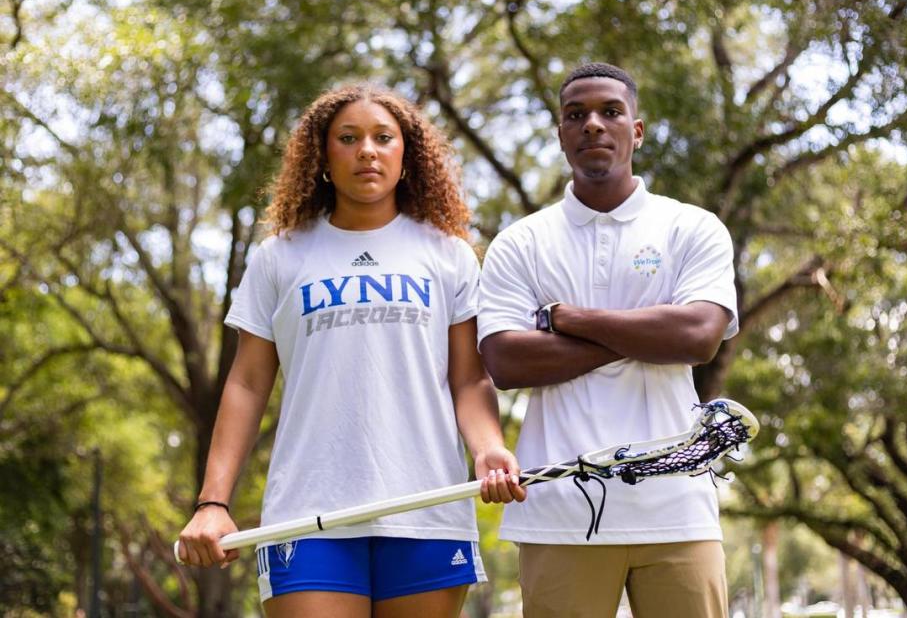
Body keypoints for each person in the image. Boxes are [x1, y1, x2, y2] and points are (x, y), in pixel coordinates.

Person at [177, 83, 525, 618]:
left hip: (425, 509)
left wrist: (487, 449)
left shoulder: (448, 254)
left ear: (406, 157)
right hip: (307, 513)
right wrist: (213, 502)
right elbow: (246, 384)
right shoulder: (280, 257)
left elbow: (469, 379)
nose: (367, 150)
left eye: (384, 137)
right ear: (323, 156)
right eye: (349, 137)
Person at [478, 62, 738, 618]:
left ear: (636, 131)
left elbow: (698, 336)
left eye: (610, 112)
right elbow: (505, 360)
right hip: (559, 512)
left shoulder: (691, 227)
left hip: (678, 507)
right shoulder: (520, 243)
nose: (593, 124)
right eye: (577, 115)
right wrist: (650, 330)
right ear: (561, 135)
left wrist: (570, 319)